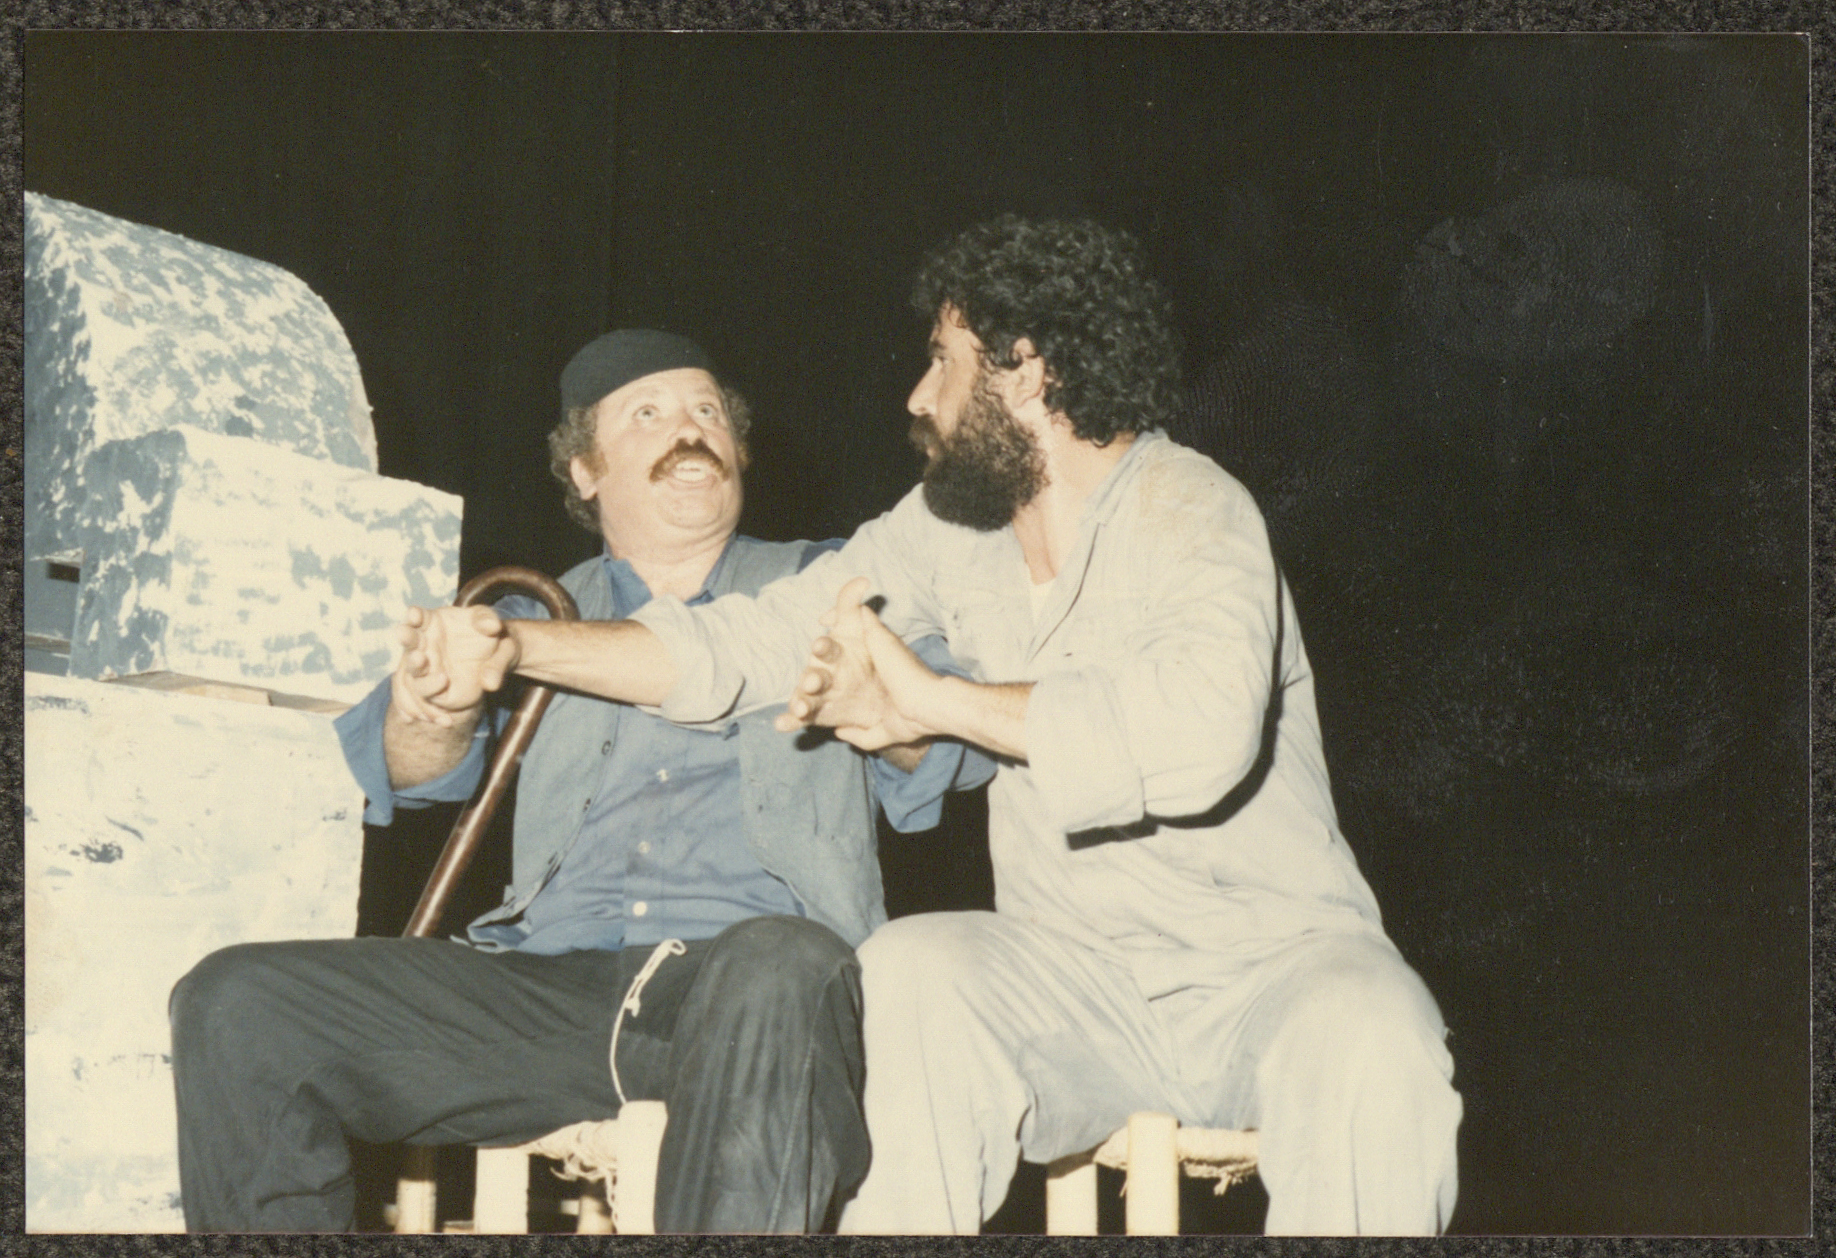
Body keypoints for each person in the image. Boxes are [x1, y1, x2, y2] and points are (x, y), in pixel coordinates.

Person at [401, 217, 1464, 1235]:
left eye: (942, 359)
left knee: (1380, 1040)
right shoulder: (947, 530)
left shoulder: (1194, 506)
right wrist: (517, 645)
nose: (917, 395)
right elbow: (751, 638)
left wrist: (931, 701)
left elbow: (1198, 738)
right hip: (1074, 982)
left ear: (1024, 370)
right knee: (910, 970)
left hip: (1272, 970)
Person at [167, 329, 990, 1233]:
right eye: (649, 414)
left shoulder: (834, 588)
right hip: (548, 990)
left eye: (708, 411)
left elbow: (957, 750)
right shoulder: (529, 611)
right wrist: (433, 708)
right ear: (585, 470)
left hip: (751, 995)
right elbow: (405, 770)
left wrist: (889, 707)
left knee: (782, 958)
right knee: (236, 1003)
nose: (691, 430)